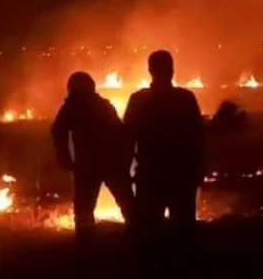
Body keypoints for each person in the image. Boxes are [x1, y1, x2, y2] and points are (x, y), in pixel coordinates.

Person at [123, 50, 206, 234]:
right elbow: (198, 136)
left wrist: (125, 173)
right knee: (183, 231)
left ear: (150, 70)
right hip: (181, 176)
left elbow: (127, 138)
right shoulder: (185, 98)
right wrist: (199, 169)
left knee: (150, 234)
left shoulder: (138, 100)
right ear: (172, 70)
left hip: (150, 176)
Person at [50, 71, 133, 242]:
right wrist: (124, 160)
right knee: (126, 204)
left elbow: (58, 131)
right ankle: (138, 238)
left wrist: (64, 158)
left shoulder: (72, 106)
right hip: (110, 163)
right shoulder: (102, 105)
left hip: (88, 165)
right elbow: (120, 132)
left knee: (84, 209)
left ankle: (85, 244)